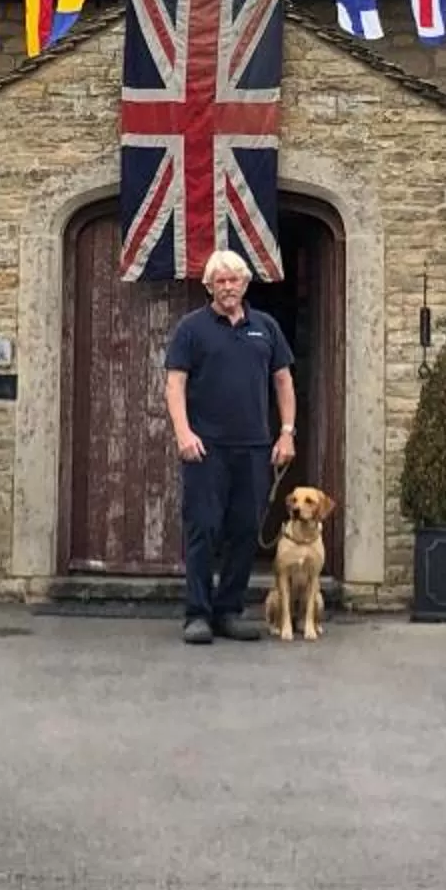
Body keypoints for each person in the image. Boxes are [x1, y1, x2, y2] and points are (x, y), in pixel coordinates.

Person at [161, 248, 296, 645]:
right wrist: (183, 433)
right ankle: (198, 614)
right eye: (219, 281)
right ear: (209, 287)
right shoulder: (191, 328)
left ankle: (229, 611)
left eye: (233, 280)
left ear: (245, 284)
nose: (227, 287)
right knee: (203, 528)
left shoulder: (266, 327)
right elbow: (175, 384)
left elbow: (284, 380)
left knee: (245, 530)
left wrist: (287, 432)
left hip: (254, 448)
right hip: (205, 449)